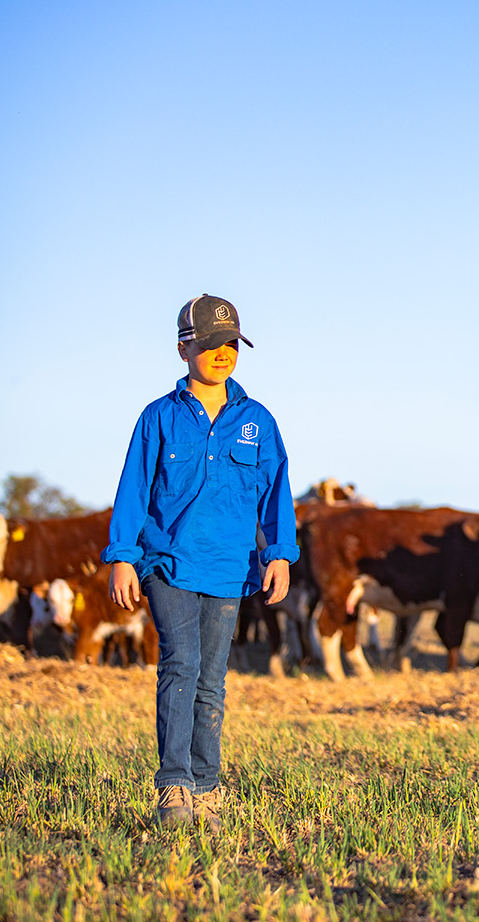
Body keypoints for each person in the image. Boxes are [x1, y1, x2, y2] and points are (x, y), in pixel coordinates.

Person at [101, 294, 297, 828]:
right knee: (180, 663)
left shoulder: (257, 420)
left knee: (213, 677)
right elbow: (133, 490)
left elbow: (276, 493)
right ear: (184, 349)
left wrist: (278, 554)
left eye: (230, 343)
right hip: (167, 562)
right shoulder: (158, 417)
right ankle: (173, 787)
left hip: (232, 568)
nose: (221, 353)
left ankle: (206, 787)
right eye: (209, 344)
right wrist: (122, 557)